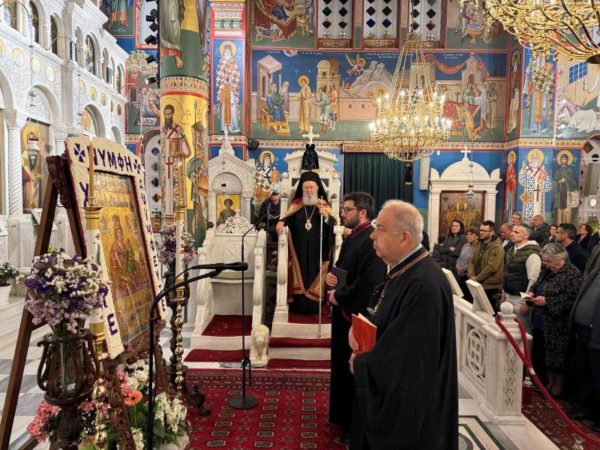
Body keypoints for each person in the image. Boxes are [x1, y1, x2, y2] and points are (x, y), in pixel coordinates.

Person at [348, 200, 458, 450]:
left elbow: (408, 359)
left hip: (412, 417)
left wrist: (362, 363)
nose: (373, 236)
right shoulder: (403, 270)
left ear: (404, 237)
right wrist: (358, 330)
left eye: (381, 229)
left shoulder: (424, 283)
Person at [325, 192, 386, 446]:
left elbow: (367, 283)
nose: (342, 213)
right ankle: (341, 417)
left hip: (354, 314)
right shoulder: (353, 236)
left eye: (347, 210)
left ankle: (352, 428)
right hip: (343, 309)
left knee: (352, 371)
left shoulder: (370, 239)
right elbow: (344, 269)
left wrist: (339, 296)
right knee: (341, 366)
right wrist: (332, 278)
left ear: (362, 212)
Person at [276, 147, 336, 314]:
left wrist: (326, 217)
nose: (309, 190)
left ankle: (316, 306)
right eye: (306, 188)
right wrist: (280, 222)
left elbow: (335, 223)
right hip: (299, 250)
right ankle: (298, 306)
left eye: (312, 188)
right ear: (302, 189)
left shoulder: (324, 206)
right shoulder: (296, 205)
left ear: (317, 189)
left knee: (316, 271)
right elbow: (286, 218)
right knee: (300, 273)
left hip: (318, 249)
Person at [528, 243, 581, 397]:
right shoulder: (547, 270)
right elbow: (536, 284)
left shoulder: (572, 273)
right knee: (544, 353)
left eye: (548, 261)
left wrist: (547, 301)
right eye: (545, 261)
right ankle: (548, 382)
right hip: (540, 319)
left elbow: (571, 300)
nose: (546, 264)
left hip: (559, 322)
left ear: (559, 259)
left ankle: (558, 386)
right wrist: (531, 293)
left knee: (558, 357)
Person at [568, 267, 600, 431]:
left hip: (597, 335)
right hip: (583, 330)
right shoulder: (596, 272)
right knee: (583, 369)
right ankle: (584, 407)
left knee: (597, 375)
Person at [501, 224, 542, 332]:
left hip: (520, 298)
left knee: (522, 330)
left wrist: (526, 303)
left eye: (516, 232)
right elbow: (507, 273)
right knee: (508, 330)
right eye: (512, 231)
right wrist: (504, 294)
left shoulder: (532, 254)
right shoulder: (511, 250)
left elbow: (533, 280)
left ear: (526, 235)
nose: (512, 234)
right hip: (509, 295)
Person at [468, 220, 505, 311]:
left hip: (489, 286)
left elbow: (491, 267)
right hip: (476, 283)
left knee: (487, 313)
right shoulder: (480, 243)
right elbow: (472, 261)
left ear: (491, 232)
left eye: (484, 231)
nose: (481, 232)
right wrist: (471, 275)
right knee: (475, 311)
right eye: (480, 230)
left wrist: (478, 278)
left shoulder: (497, 247)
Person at [456, 226, 478, 302]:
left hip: (469, 275)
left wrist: (463, 269)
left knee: (468, 299)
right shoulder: (465, 245)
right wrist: (457, 266)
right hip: (460, 275)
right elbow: (459, 258)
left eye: (471, 234)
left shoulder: (477, 247)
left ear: (476, 236)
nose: (468, 236)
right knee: (461, 297)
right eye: (467, 234)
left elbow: (472, 261)